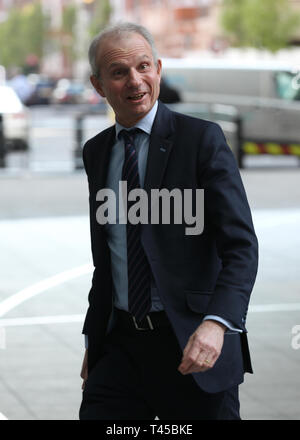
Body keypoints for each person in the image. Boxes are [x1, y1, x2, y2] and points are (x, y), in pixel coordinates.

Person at [79, 22, 258, 420]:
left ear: (158, 69)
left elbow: (241, 247)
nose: (135, 80)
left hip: (193, 342)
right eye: (119, 72)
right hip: (119, 349)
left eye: (144, 66)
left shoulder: (201, 141)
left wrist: (218, 324)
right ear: (98, 85)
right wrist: (96, 341)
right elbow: (107, 256)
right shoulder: (96, 152)